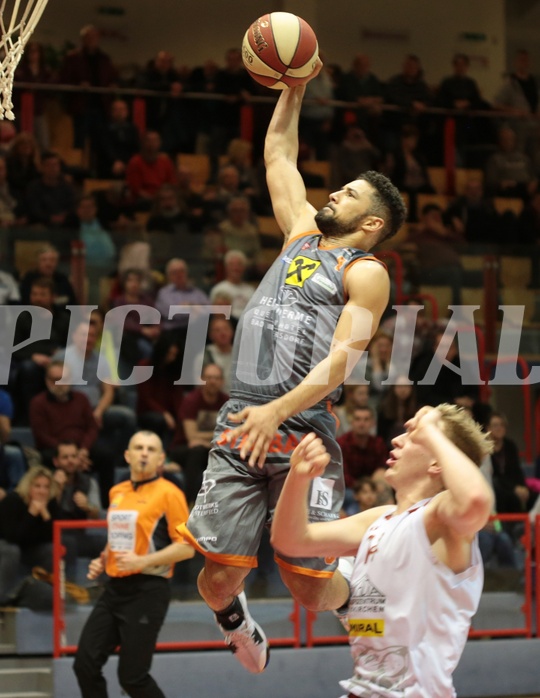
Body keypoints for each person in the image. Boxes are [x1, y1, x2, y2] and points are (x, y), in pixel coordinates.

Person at [177, 61, 407, 674]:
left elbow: (341, 361)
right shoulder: (300, 233)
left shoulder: (366, 273)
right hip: (239, 421)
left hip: (302, 429)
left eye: (350, 194)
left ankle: (358, 595)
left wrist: (278, 409)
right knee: (215, 581)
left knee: (308, 587)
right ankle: (236, 623)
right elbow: (279, 156)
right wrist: (293, 90)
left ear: (372, 223)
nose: (334, 193)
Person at [271, 405, 494, 697]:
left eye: (413, 436)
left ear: (437, 462)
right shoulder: (380, 519)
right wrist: (297, 478)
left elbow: (476, 501)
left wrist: (430, 432)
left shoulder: (439, 518)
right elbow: (291, 540)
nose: (397, 440)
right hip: (364, 688)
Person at [72, 430, 194, 698]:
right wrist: (103, 558)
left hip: (148, 591)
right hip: (114, 589)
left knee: (132, 678)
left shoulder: (170, 493)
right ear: (127, 455)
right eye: (138, 447)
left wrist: (142, 561)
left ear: (161, 458)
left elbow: (187, 547)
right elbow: (118, 538)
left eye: (151, 449)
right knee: (84, 665)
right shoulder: (117, 491)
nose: (144, 453)